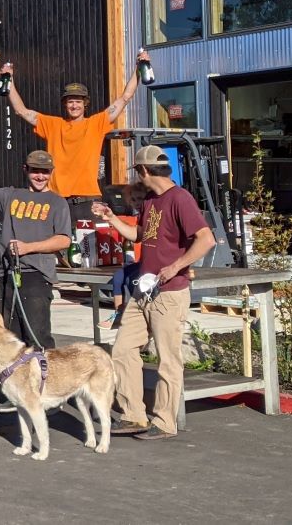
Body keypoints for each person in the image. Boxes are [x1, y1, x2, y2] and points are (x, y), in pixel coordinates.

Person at [90, 145, 217, 440]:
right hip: (143, 290)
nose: (138, 177)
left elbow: (206, 239)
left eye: (138, 171)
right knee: (122, 350)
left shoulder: (180, 199)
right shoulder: (150, 200)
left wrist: (177, 266)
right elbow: (139, 235)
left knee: (168, 359)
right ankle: (134, 415)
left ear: (144, 171)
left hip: (169, 293)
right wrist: (111, 217)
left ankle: (164, 422)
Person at [1, 50, 151, 222]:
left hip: (88, 202)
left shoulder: (96, 123)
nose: (74, 105)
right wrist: (9, 80)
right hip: (57, 201)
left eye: (78, 101)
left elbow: (125, 97)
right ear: (65, 104)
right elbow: (21, 111)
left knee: (88, 249)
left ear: (85, 104)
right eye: (70, 101)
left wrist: (139, 68)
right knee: (56, 248)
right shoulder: (53, 125)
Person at [0, 147, 72, 349]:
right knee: (8, 337)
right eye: (35, 170)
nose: (40, 176)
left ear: (51, 172)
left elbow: (63, 240)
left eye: (45, 171)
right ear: (25, 170)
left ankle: (45, 378)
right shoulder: (11, 195)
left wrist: (29, 248)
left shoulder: (57, 202)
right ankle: (13, 380)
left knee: (37, 336)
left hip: (36, 275)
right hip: (6, 274)